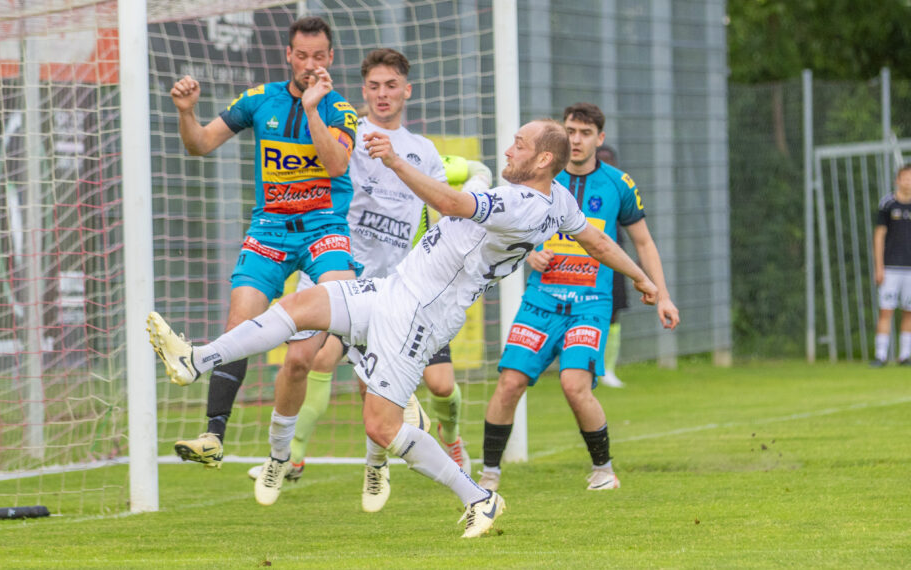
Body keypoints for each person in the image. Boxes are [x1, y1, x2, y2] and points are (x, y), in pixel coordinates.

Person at [147, 118, 660, 538]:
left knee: (382, 428)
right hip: (396, 290)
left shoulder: (520, 203)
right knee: (303, 305)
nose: (509, 149)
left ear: (542, 160)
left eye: (519, 144)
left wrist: (393, 160)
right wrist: (642, 278)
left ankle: (478, 498)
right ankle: (195, 360)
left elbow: (453, 204)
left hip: (420, 313)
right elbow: (596, 240)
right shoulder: (558, 200)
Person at [244, 49, 490, 512]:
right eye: (374, 86)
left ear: (406, 90)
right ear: (364, 91)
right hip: (343, 273)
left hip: (406, 287)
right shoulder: (347, 131)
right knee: (304, 359)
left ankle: (440, 443)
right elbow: (325, 163)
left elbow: (446, 200)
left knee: (437, 387)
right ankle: (288, 457)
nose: (382, 94)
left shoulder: (422, 150)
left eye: (391, 85)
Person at [165, 16, 360, 470]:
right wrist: (186, 113)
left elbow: (334, 165)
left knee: (343, 302)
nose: (310, 64)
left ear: (330, 59)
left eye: (319, 56)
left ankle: (393, 388)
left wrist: (314, 108)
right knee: (240, 321)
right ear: (288, 55)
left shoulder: (341, 110)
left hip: (323, 228)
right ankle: (213, 436)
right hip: (270, 229)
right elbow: (200, 145)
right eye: (302, 55)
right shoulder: (259, 100)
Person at [478, 103, 680, 494]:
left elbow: (643, 242)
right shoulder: (537, 179)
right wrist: (529, 252)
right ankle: (489, 474)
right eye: (570, 130)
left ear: (599, 139)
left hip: (590, 303)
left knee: (574, 384)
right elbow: (507, 233)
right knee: (509, 384)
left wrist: (663, 296)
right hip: (540, 300)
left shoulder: (619, 185)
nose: (576, 139)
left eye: (585, 133)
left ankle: (603, 469)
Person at [870, 164, 911, 367]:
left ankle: (904, 356)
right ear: (898, 180)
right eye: (905, 178)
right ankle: (880, 355)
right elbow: (879, 236)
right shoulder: (887, 204)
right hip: (891, 267)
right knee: (886, 310)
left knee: (909, 312)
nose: (908, 182)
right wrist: (879, 266)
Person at [595, 145, 628, 388]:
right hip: (586, 261)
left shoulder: (620, 189)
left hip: (615, 258)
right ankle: (591, 366)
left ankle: (609, 369)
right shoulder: (582, 189)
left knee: (614, 313)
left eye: (610, 161)